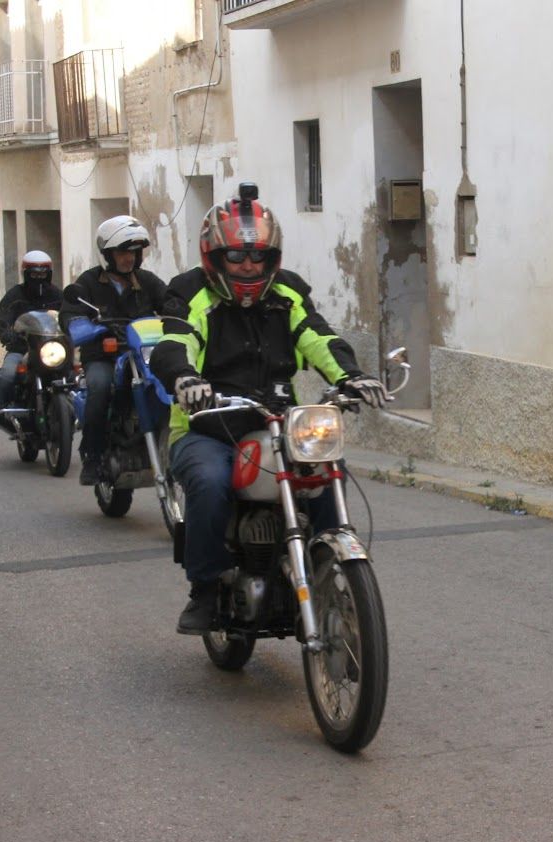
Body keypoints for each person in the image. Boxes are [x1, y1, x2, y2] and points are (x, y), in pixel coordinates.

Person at [151, 185, 390, 634]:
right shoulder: (190, 294)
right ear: (215, 257)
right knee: (209, 482)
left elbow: (317, 336)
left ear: (271, 257)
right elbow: (174, 341)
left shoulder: (288, 293)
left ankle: (332, 572)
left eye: (257, 257)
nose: (247, 266)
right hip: (207, 428)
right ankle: (204, 587)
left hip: (280, 424)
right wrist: (185, 379)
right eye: (236, 257)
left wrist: (350, 375)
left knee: (323, 470)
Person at [59, 216, 166, 486]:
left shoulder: (147, 281)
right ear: (107, 254)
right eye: (122, 252)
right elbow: (70, 311)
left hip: (142, 354)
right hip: (104, 356)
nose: (129, 258)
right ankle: (92, 455)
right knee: (100, 387)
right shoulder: (90, 283)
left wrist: (179, 314)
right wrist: (79, 324)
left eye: (133, 252)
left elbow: (171, 302)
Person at [0, 250, 63, 410]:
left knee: (74, 374)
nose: (39, 278)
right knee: (7, 376)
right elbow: (2, 317)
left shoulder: (57, 295)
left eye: (43, 274)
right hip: (22, 348)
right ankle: (3, 410)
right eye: (34, 274)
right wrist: (6, 332)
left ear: (49, 274)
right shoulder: (16, 295)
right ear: (26, 274)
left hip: (51, 349)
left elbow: (67, 315)